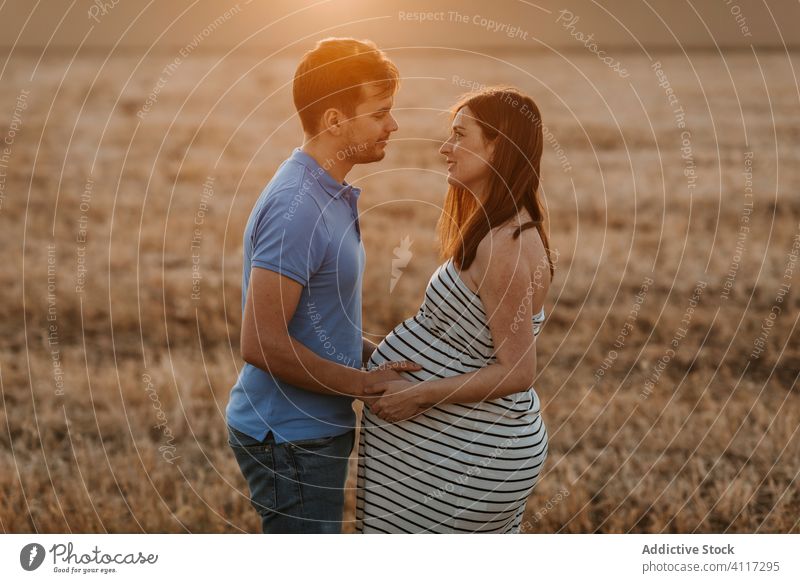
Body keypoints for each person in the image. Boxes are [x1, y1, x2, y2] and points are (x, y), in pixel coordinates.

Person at [225, 37, 419, 534]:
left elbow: (317, 320)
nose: (392, 125)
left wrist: (375, 359)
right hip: (290, 438)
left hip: (308, 431)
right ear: (334, 120)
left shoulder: (325, 192)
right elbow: (262, 343)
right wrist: (362, 384)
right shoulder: (297, 208)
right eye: (380, 113)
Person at [356, 86, 556, 533]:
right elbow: (469, 344)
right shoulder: (502, 229)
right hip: (457, 448)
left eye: (461, 135)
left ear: (498, 145)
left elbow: (517, 371)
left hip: (468, 454)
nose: (446, 148)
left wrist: (417, 394)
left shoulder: (505, 244)